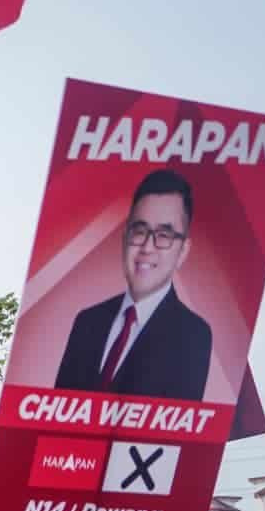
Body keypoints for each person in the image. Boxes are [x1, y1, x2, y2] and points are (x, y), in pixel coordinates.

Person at [52, 168, 212, 401]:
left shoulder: (192, 335)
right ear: (125, 238)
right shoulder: (87, 322)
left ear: (182, 252)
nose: (147, 247)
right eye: (139, 231)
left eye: (164, 235)